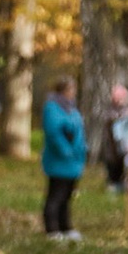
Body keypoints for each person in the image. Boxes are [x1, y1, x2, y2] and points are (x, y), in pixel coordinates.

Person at [39, 75, 85, 238]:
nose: (73, 93)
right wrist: (66, 150)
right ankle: (52, 228)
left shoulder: (72, 109)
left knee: (67, 196)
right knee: (56, 195)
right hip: (59, 161)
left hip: (73, 162)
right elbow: (54, 132)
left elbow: (79, 129)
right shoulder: (52, 108)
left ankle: (66, 226)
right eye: (71, 89)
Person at [99, 79, 128, 195]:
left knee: (124, 165)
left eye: (122, 98)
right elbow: (109, 120)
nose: (120, 100)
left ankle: (121, 185)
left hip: (125, 146)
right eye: (118, 98)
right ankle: (113, 184)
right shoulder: (110, 110)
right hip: (111, 147)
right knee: (113, 167)